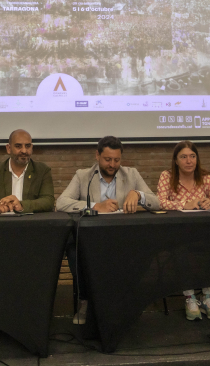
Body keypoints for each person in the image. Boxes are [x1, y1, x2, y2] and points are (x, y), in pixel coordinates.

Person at [56, 136, 159, 324]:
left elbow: (157, 201)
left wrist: (138, 194)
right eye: (107, 159)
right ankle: (85, 302)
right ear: (97, 155)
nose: (112, 164)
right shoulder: (83, 176)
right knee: (73, 249)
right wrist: (95, 206)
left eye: (116, 160)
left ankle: (125, 299)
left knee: (145, 248)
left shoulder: (132, 174)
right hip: (91, 239)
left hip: (123, 237)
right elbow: (61, 203)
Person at [157, 141, 210, 321]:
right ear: (176, 160)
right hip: (177, 233)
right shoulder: (167, 176)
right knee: (180, 250)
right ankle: (190, 297)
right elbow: (160, 202)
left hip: (204, 232)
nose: (189, 161)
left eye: (192, 156)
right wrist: (184, 205)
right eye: (184, 157)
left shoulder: (206, 177)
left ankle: (208, 296)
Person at [0, 129, 55, 214]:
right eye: (18, 146)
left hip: (31, 223)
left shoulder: (42, 170)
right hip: (2, 223)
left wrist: (22, 205)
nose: (24, 151)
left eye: (27, 146)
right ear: (8, 148)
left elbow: (48, 201)